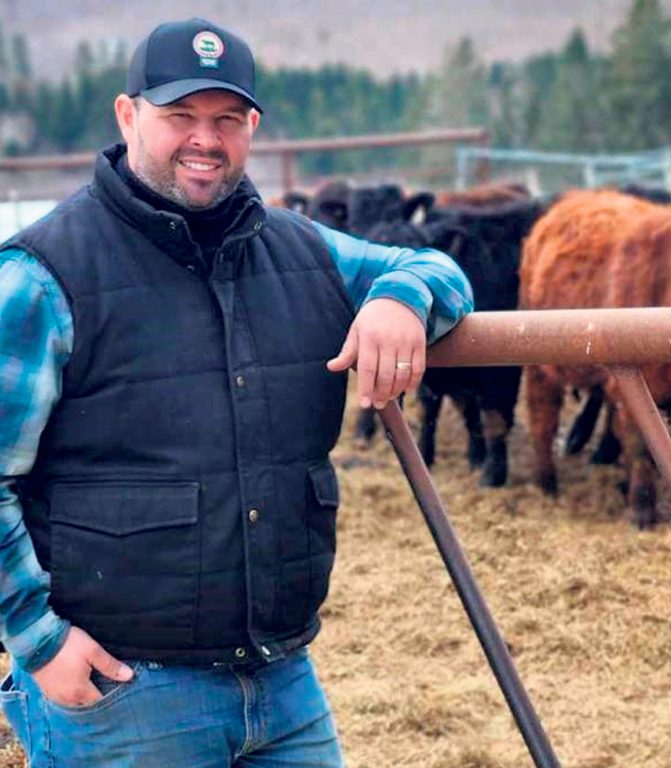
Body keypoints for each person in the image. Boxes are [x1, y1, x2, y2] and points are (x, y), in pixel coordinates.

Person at [0, 18, 473, 767]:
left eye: (226, 119)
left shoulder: (302, 249)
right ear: (128, 117)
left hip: (283, 683)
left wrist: (401, 298)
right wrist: (40, 641)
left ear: (252, 125)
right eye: (179, 116)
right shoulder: (43, 274)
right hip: (125, 691)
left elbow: (437, 268)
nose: (205, 140)